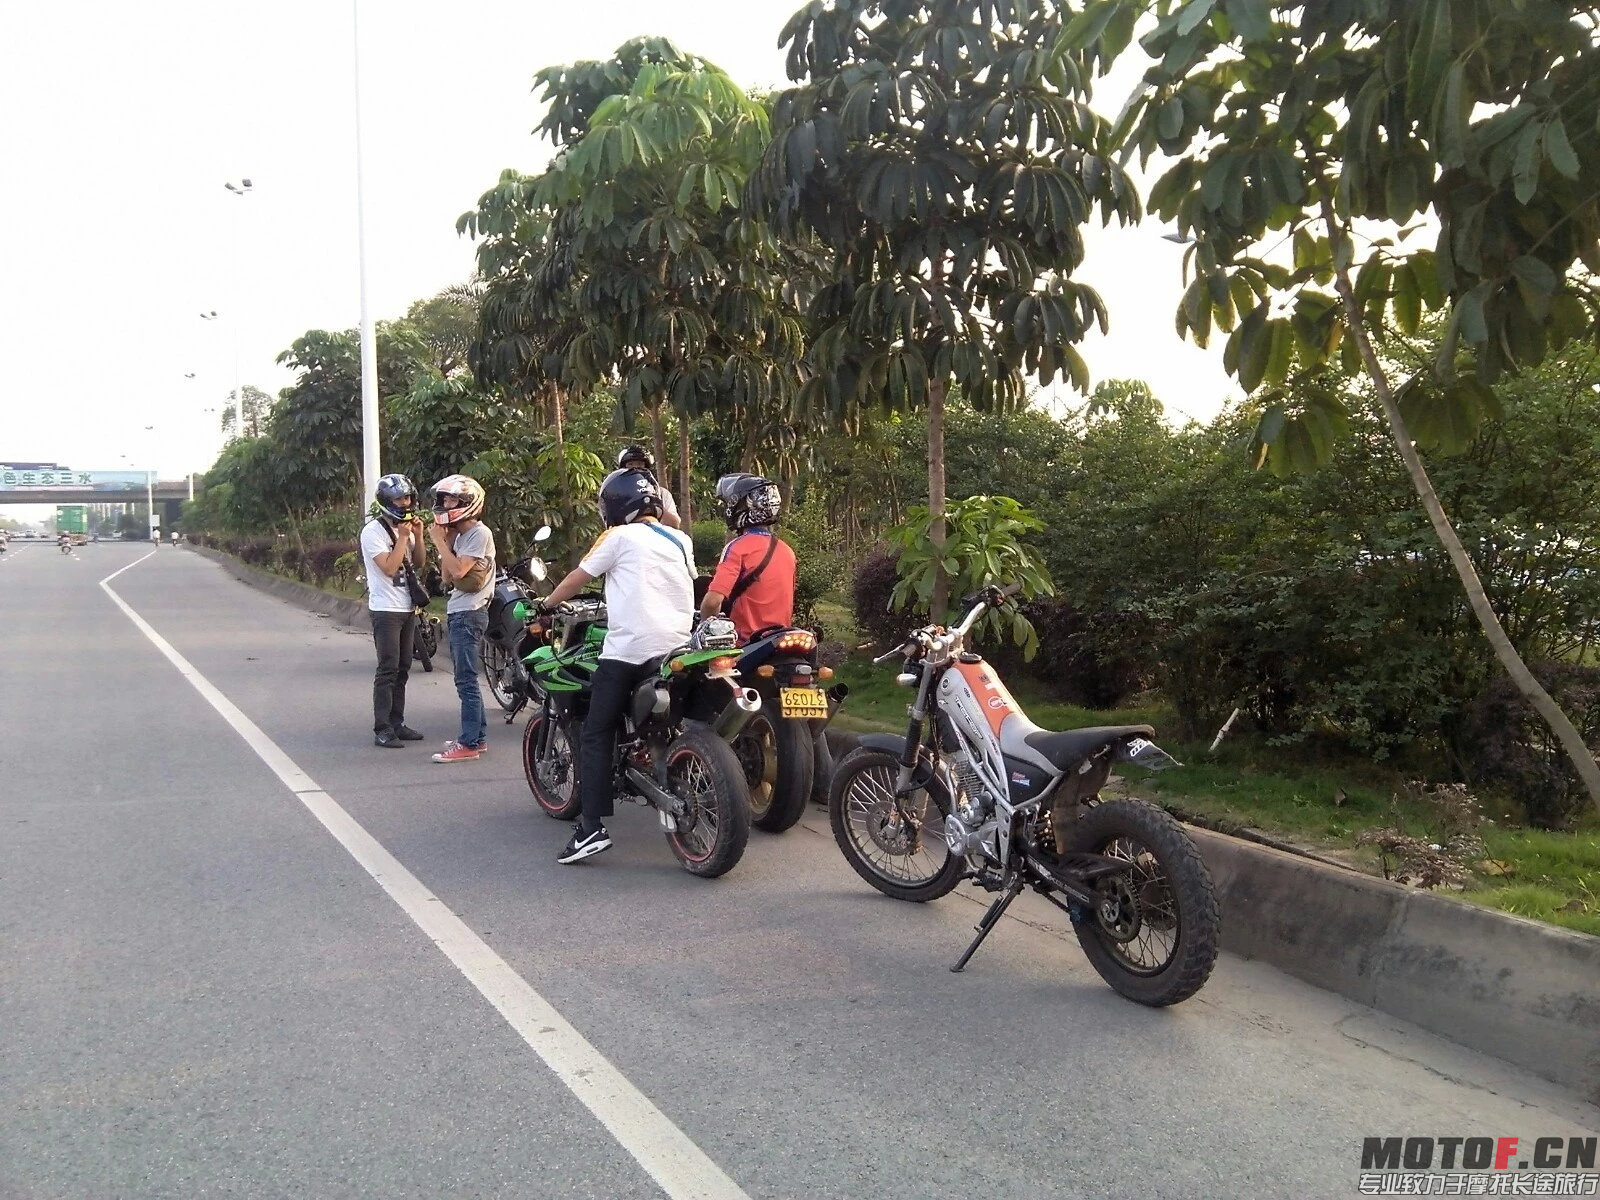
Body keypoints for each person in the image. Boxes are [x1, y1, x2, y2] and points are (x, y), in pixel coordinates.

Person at [539, 468, 696, 863]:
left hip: (630, 651)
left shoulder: (618, 537)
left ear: (613, 506)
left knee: (595, 732)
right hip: (678, 649)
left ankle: (590, 828)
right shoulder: (679, 538)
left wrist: (546, 606)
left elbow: (577, 577)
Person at [427, 474, 495, 763]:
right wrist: (448, 541)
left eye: (450, 499)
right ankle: (476, 738)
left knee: (466, 680)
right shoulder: (462, 536)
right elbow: (446, 577)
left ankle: (467, 744)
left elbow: (458, 573)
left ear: (467, 503)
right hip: (459, 611)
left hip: (469, 613)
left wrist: (438, 542)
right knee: (465, 679)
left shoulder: (480, 533)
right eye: (443, 499)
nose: (444, 504)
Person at [360, 473, 427, 749]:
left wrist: (418, 537)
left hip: (406, 607)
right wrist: (402, 537)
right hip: (385, 609)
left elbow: (419, 563)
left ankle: (397, 722)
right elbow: (388, 568)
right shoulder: (372, 532)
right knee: (388, 668)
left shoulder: (407, 530)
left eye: (408, 497)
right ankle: (382, 727)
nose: (406, 502)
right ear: (387, 501)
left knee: (403, 667)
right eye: (400, 498)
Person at [699, 473, 797, 643]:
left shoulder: (738, 547)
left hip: (746, 643)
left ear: (740, 506)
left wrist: (704, 628)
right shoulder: (787, 550)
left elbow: (713, 602)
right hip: (779, 641)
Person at [616, 446, 682, 528]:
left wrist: (654, 503)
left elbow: (675, 525)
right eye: (630, 464)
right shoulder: (618, 494)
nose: (635, 468)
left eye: (640, 464)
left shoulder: (661, 493)